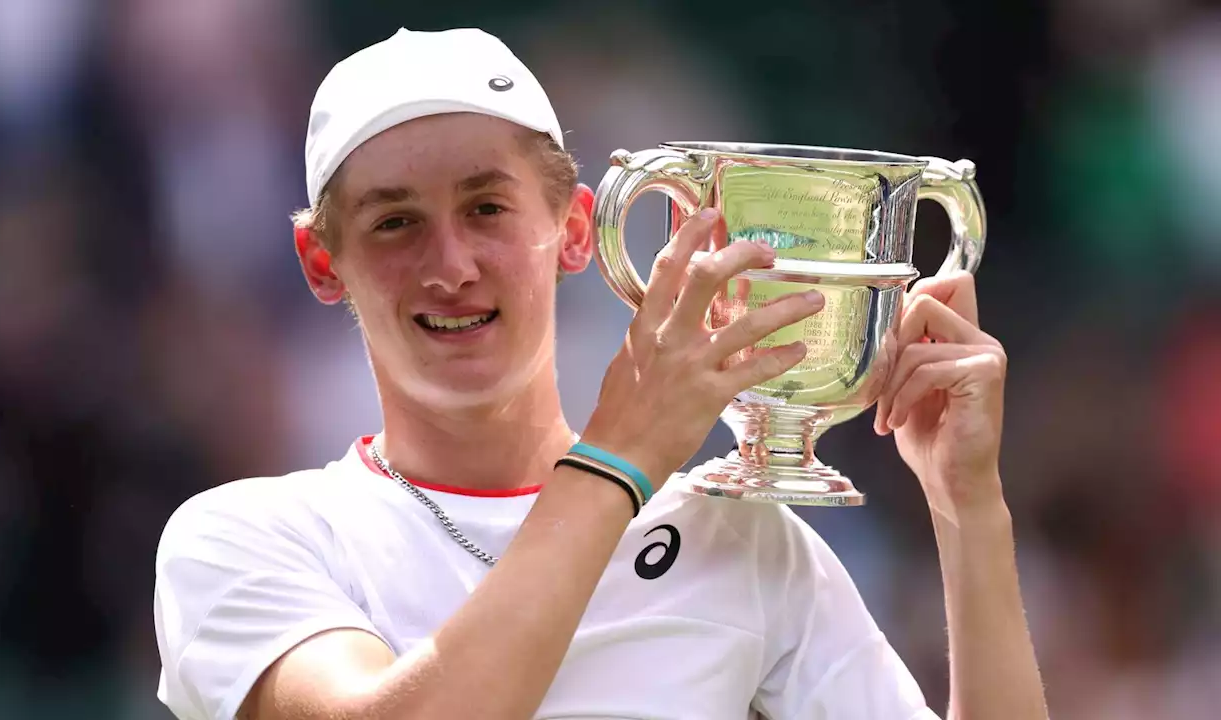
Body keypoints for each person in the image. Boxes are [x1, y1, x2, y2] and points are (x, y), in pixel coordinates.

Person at [152, 27, 1047, 720]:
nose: (452, 264)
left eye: (486, 207)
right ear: (321, 261)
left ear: (577, 230)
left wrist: (968, 508)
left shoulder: (742, 541)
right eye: (396, 223)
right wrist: (623, 454)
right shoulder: (245, 538)